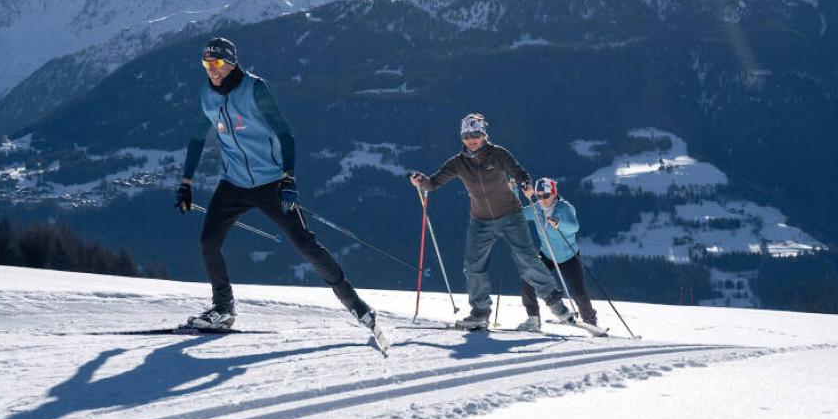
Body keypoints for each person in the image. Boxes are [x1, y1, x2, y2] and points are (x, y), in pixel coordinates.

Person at [176, 37, 382, 337]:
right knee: (208, 242)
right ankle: (223, 309)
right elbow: (197, 139)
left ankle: (356, 305)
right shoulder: (207, 94)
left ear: (231, 62)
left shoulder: (255, 89)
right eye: (206, 64)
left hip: (270, 182)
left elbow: (285, 134)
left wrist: (288, 177)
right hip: (232, 183)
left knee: (305, 244)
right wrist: (186, 182)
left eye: (217, 63)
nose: (212, 70)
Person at [408, 113, 576, 330]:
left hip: (511, 216)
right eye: (467, 136)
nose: (472, 139)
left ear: (484, 134)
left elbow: (519, 171)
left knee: (527, 260)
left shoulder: (498, 154)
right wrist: (421, 180)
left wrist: (525, 184)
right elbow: (433, 183)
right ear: (462, 138)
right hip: (480, 222)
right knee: (473, 266)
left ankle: (558, 307)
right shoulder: (458, 163)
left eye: (476, 134)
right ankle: (480, 314)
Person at [517, 177, 599, 332]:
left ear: (554, 194)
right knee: (528, 279)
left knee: (579, 292)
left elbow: (574, 227)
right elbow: (517, 215)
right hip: (547, 255)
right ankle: (533, 319)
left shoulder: (565, 208)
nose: (542, 200)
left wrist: (559, 223)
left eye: (546, 196)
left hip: (569, 256)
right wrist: (513, 191)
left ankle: (590, 320)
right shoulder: (536, 210)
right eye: (539, 196)